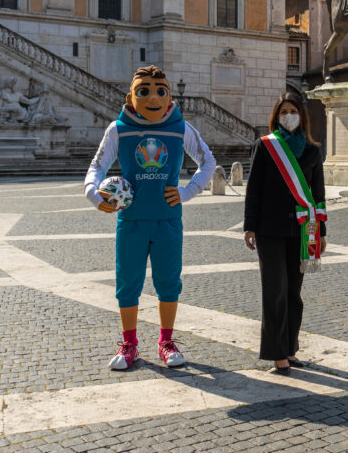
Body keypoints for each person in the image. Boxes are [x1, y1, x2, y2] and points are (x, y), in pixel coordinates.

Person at [84, 65, 216, 370]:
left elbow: (209, 161)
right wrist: (94, 194)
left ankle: (166, 341)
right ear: (131, 96)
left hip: (167, 219)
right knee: (128, 282)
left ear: (169, 96)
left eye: (161, 90)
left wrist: (187, 192)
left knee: (169, 282)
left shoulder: (181, 128)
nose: (153, 96)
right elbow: (97, 166)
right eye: (144, 90)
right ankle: (129, 343)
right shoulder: (118, 129)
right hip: (131, 220)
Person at [244, 92, 327, 376]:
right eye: (283, 112)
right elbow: (253, 188)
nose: (288, 115)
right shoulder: (265, 146)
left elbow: (318, 194)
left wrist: (322, 232)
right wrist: (249, 225)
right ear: (276, 116)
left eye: (293, 111)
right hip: (269, 229)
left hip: (304, 230)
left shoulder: (313, 151)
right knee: (275, 291)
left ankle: (290, 348)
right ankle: (277, 354)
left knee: (294, 293)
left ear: (302, 116)